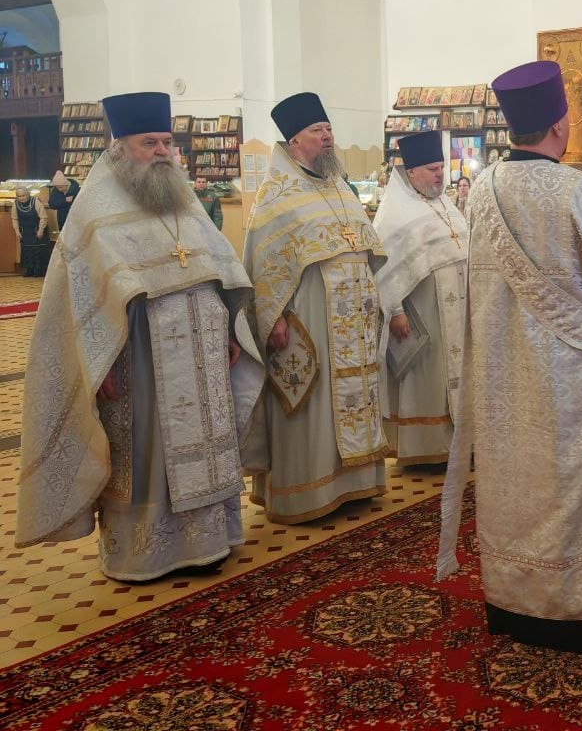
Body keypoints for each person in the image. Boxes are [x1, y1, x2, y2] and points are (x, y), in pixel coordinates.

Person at [437, 60, 582, 654]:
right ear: (561, 125)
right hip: (571, 375)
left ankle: (516, 605)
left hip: (503, 372)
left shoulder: (482, 188)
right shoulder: (579, 190)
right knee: (578, 483)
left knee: (516, 482)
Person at [16, 92, 266, 581]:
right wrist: (98, 362)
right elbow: (79, 299)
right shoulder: (95, 208)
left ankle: (210, 539)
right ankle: (147, 552)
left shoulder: (182, 198)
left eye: (166, 142)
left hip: (202, 348)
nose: (161, 152)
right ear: (120, 147)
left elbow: (215, 269)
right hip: (140, 356)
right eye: (149, 142)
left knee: (208, 441)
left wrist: (227, 328)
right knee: (151, 452)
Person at [243, 92, 387, 524]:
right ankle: (308, 491)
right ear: (294, 141)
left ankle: (356, 483)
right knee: (313, 403)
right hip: (309, 319)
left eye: (328, 129)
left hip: (352, 320)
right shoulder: (275, 195)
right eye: (316, 130)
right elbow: (262, 263)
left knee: (354, 398)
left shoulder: (339, 186)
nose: (327, 137)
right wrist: (273, 317)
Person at [373, 130, 468, 467]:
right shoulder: (394, 213)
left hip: (459, 309)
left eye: (441, 168)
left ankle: (457, 443)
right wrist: (395, 310)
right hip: (422, 312)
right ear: (411, 172)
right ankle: (426, 447)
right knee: (428, 376)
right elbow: (384, 269)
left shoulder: (446, 205)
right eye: (431, 169)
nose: (439, 175)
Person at [11, 185, 51, 277]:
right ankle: (29, 270)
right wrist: (17, 231)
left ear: (28, 194)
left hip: (38, 229)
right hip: (25, 231)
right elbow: (14, 219)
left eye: (23, 195)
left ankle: (39, 271)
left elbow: (43, 217)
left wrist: (41, 230)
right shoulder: (15, 204)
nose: (21, 198)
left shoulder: (35, 201)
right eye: (19, 196)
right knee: (27, 251)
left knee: (39, 250)